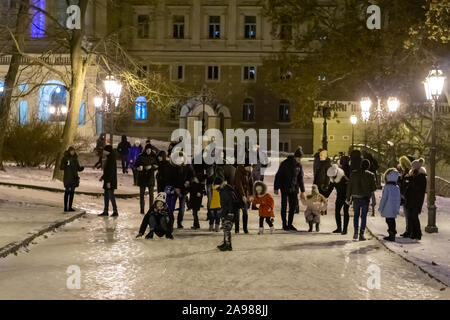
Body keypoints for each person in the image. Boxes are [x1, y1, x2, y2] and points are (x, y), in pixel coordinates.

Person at [274, 147, 306, 231]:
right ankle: (284, 224)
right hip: (284, 187)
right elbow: (278, 175)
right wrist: (276, 188)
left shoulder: (299, 165)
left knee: (293, 207)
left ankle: (290, 224)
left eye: (301, 158)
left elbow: (300, 178)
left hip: (294, 188)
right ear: (295, 157)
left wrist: (302, 191)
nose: (300, 159)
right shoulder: (285, 163)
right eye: (299, 158)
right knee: (284, 206)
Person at [346, 159, 376, 241]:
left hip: (356, 197)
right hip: (365, 198)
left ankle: (355, 231)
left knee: (356, 215)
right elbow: (373, 188)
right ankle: (361, 234)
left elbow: (349, 187)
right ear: (368, 166)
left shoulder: (353, 174)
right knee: (363, 216)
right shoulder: (371, 175)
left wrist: (348, 197)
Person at [216, 172, 240, 252]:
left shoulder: (226, 191)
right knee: (225, 228)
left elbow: (231, 203)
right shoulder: (223, 190)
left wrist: (230, 213)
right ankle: (225, 243)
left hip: (230, 213)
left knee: (227, 229)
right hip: (226, 212)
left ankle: (228, 245)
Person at [403, 159, 427, 240]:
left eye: (413, 166)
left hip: (417, 200)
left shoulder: (421, 176)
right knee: (410, 216)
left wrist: (410, 182)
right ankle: (413, 233)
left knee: (414, 216)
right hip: (411, 199)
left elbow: (419, 188)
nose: (411, 168)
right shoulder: (414, 175)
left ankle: (418, 233)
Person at [325, 164, 350, 234]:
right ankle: (339, 228)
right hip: (339, 196)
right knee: (337, 212)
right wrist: (325, 196)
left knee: (345, 212)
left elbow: (349, 189)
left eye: (331, 176)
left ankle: (345, 229)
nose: (331, 178)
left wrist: (349, 198)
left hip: (346, 197)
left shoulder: (344, 178)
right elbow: (330, 188)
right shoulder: (333, 179)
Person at [378, 168, 401, 242]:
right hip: (394, 207)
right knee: (392, 221)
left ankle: (391, 234)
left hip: (387, 207)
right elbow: (399, 199)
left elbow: (384, 198)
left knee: (389, 221)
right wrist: (397, 208)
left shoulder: (387, 187)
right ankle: (392, 233)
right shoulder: (397, 187)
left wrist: (380, 207)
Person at [135, 144, 158, 214]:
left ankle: (151, 210)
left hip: (150, 177)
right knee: (142, 195)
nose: (148, 151)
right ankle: (142, 210)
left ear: (151, 150)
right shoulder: (141, 156)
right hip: (142, 177)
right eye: (147, 149)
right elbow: (135, 165)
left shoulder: (154, 156)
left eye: (149, 150)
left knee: (151, 195)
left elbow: (157, 166)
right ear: (145, 149)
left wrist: (151, 167)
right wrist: (138, 168)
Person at [60, 146, 84, 212]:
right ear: (69, 151)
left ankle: (70, 207)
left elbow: (78, 168)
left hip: (74, 178)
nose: (73, 152)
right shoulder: (65, 158)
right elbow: (61, 167)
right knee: (67, 192)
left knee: (72, 193)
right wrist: (65, 164)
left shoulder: (75, 159)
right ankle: (65, 207)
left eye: (73, 151)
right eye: (71, 151)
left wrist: (81, 168)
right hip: (67, 177)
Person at [99, 145, 118, 217]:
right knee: (106, 196)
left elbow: (111, 171)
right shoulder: (109, 157)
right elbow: (107, 171)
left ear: (108, 151)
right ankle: (105, 211)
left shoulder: (112, 159)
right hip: (107, 180)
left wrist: (109, 182)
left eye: (105, 150)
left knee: (111, 196)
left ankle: (115, 211)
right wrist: (102, 177)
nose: (103, 151)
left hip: (110, 181)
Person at [234, 163, 253, 234]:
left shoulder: (249, 173)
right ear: (246, 167)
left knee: (245, 212)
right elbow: (239, 184)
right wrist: (242, 195)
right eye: (250, 167)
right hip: (238, 195)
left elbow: (251, 184)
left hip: (245, 195)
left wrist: (251, 195)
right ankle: (237, 229)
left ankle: (245, 229)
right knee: (237, 212)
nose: (251, 168)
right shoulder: (239, 171)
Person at [397, 155, 412, 237]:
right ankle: (408, 230)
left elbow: (405, 183)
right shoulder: (409, 171)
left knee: (407, 214)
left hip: (406, 195)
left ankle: (408, 231)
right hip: (407, 194)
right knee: (407, 214)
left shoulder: (407, 172)